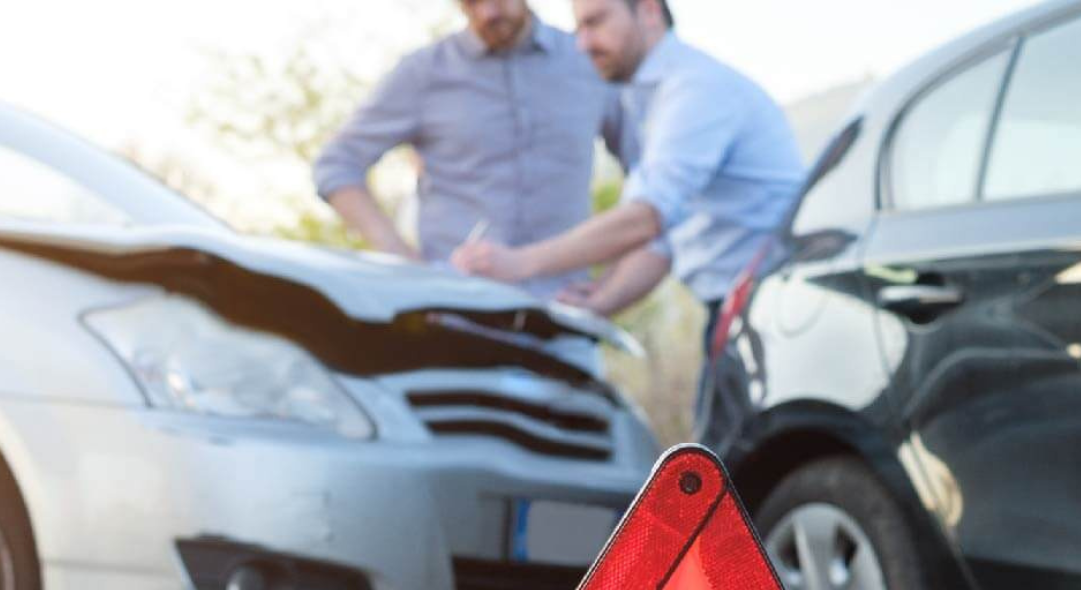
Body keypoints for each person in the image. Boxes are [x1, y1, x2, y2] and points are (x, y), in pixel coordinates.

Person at [453, 0, 803, 347]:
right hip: (739, 309)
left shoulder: (696, 90)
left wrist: (518, 262)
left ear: (649, 11)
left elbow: (644, 219)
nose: (583, 43)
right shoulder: (652, 98)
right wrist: (601, 299)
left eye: (596, 23)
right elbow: (663, 240)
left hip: (777, 310)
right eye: (579, 29)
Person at [313, 0, 637, 303]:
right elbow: (337, 164)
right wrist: (405, 264)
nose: (487, 14)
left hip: (565, 313)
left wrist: (613, 284)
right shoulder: (424, 72)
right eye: (470, 2)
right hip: (455, 312)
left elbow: (651, 178)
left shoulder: (588, 63)